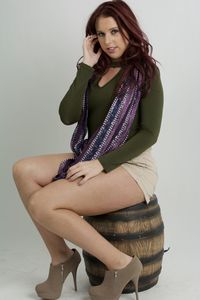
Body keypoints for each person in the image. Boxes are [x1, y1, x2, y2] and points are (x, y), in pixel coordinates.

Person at [12, 0, 163, 299]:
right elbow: (67, 115)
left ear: (129, 30)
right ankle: (62, 258)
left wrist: (102, 164)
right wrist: (85, 66)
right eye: (101, 34)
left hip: (131, 166)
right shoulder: (94, 72)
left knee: (42, 203)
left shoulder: (145, 73)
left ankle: (121, 264)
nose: (109, 41)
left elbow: (149, 134)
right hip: (91, 153)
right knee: (22, 170)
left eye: (115, 31)